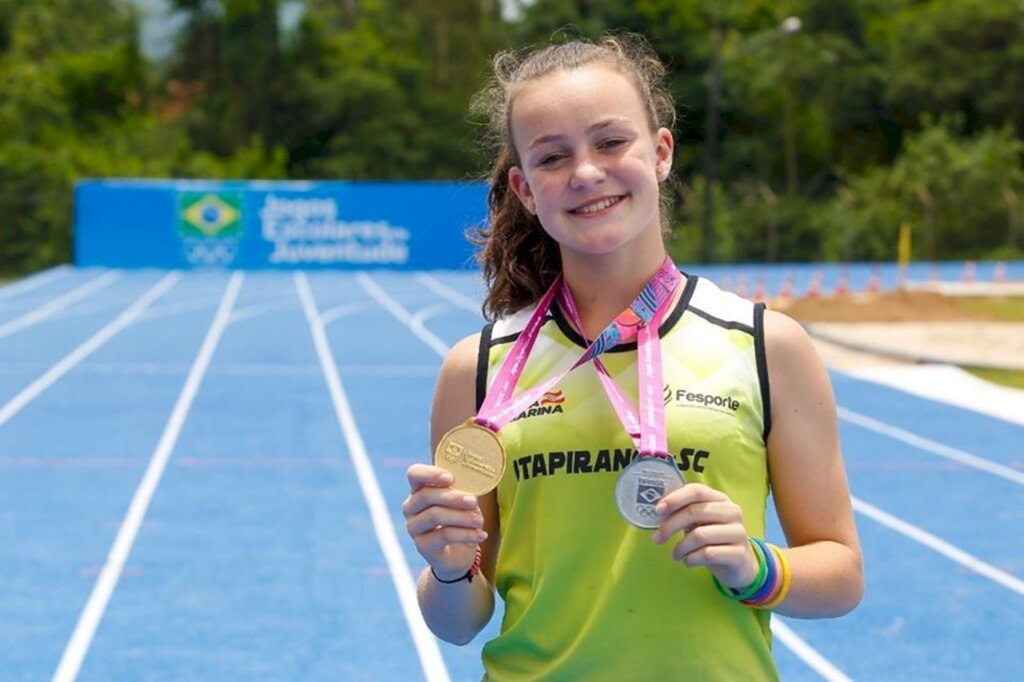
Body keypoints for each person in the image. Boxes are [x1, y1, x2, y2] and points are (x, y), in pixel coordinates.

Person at [402, 32, 862, 680]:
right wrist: (449, 566)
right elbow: (459, 621)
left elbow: (840, 573)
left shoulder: (766, 345)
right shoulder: (477, 369)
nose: (586, 173)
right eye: (553, 157)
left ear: (662, 152)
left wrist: (756, 565)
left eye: (611, 142)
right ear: (525, 189)